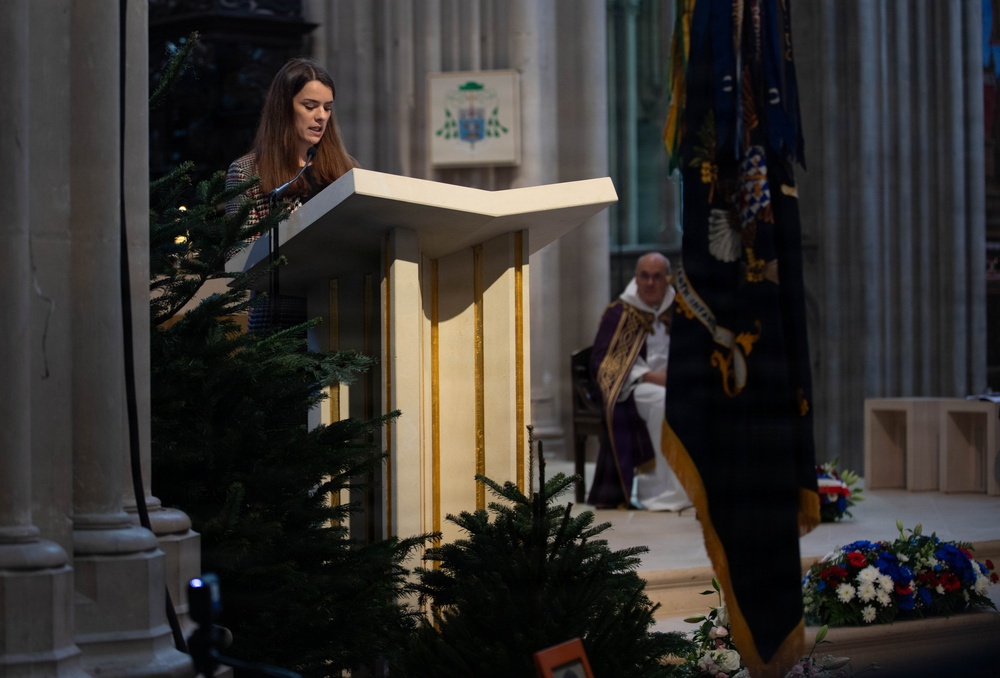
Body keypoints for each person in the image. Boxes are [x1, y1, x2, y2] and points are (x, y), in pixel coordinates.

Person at [226, 57, 357, 330]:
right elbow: (238, 259)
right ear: (284, 108)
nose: (321, 116)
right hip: (278, 321)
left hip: (341, 318)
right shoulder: (247, 172)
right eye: (310, 106)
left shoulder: (347, 170)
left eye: (327, 108)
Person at [587, 252, 691, 511]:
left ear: (667, 280)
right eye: (644, 276)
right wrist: (648, 376)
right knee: (663, 403)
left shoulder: (680, 309)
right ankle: (659, 492)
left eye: (657, 277)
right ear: (636, 278)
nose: (650, 283)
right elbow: (602, 362)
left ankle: (693, 489)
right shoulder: (620, 313)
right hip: (634, 387)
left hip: (678, 383)